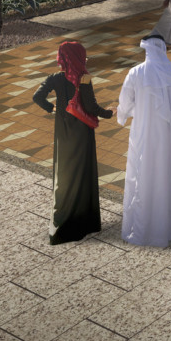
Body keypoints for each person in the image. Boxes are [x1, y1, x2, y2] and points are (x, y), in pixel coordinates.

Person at [32, 41, 112, 245]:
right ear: (78, 56)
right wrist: (110, 113)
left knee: (65, 170)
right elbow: (91, 107)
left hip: (63, 131)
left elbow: (37, 96)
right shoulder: (83, 78)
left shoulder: (55, 78)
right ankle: (84, 221)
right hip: (81, 132)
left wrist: (51, 109)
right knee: (82, 171)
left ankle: (61, 220)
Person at [117, 36, 171, 248]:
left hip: (143, 134)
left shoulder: (136, 73)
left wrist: (129, 114)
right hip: (167, 138)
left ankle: (140, 230)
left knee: (141, 175)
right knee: (165, 177)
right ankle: (166, 231)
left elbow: (124, 103)